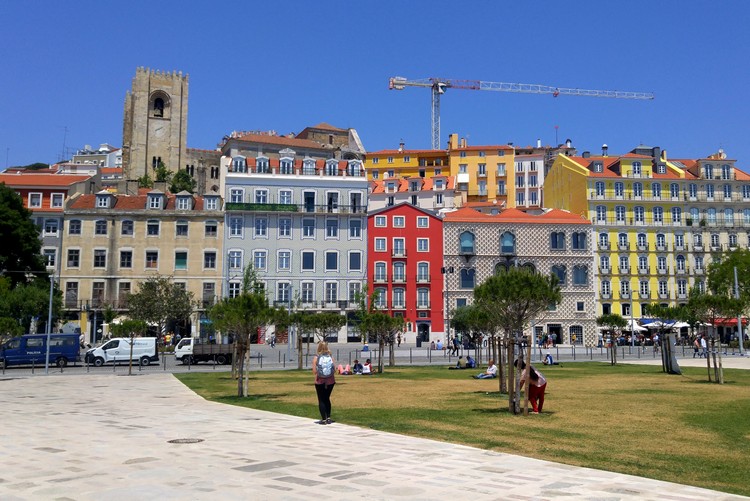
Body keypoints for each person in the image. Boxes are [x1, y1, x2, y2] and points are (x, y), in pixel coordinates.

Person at [312, 341, 336, 425]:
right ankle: (329, 417)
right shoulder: (330, 357)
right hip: (330, 381)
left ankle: (323, 419)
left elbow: (314, 371)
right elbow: (334, 369)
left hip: (320, 381)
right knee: (327, 398)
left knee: (321, 399)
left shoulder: (316, 357)